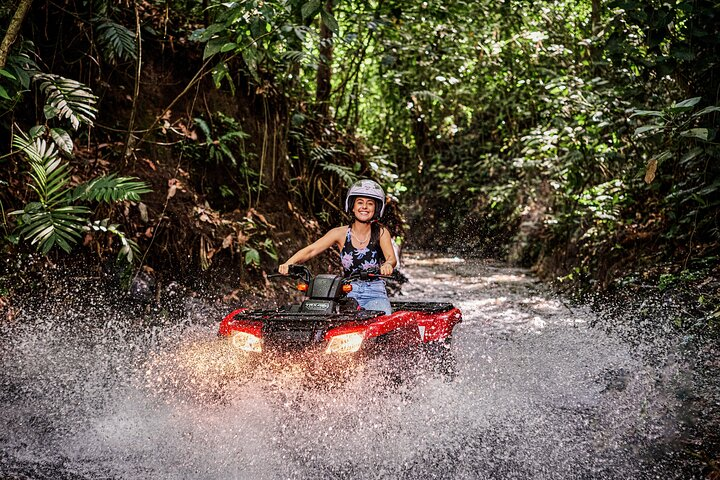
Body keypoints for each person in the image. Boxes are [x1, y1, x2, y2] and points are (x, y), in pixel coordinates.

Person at [278, 179, 397, 314]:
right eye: (360, 202)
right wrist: (289, 263)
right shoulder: (339, 233)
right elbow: (311, 250)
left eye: (370, 204)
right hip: (347, 291)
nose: (364, 207)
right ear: (352, 206)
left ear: (376, 209)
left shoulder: (381, 232)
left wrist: (387, 265)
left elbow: (391, 258)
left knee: (383, 323)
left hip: (374, 292)